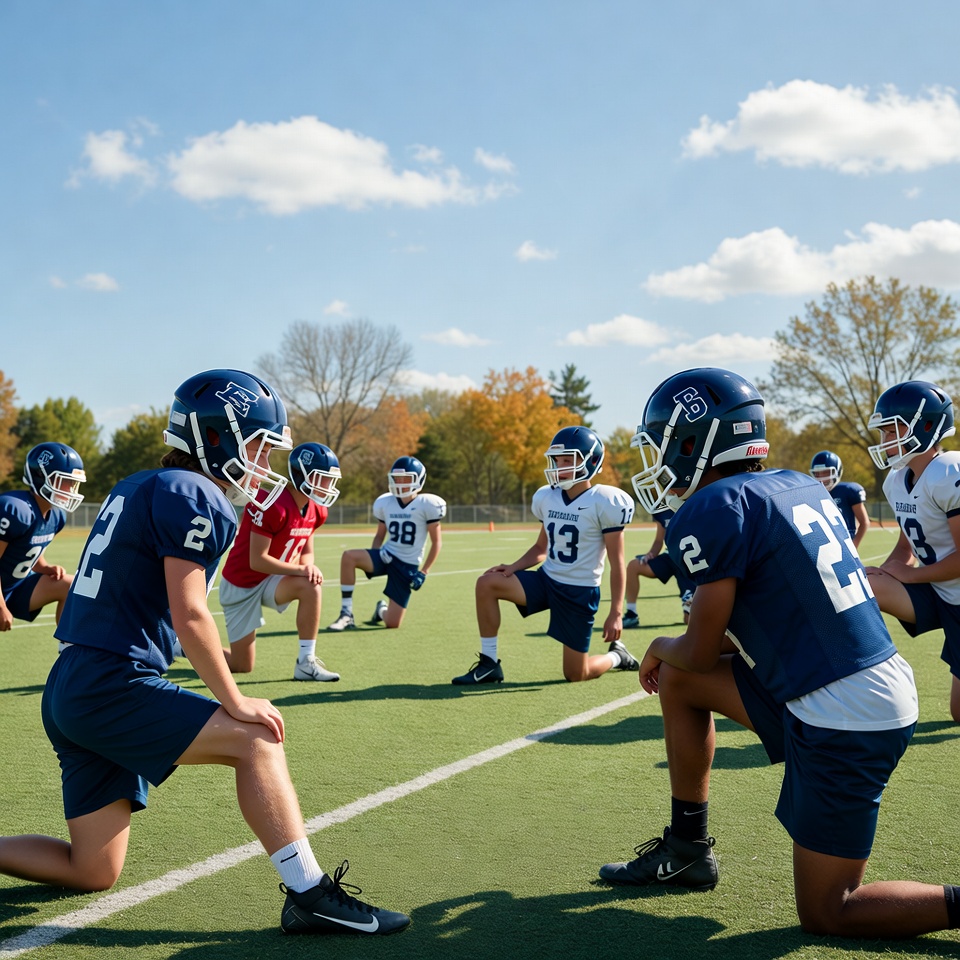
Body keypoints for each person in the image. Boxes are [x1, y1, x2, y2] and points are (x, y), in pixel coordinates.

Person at [0, 370, 409, 936]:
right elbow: (190, 613)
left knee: (92, 868)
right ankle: (311, 894)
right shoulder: (195, 494)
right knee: (257, 740)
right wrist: (234, 698)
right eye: (262, 446)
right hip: (109, 683)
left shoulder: (138, 484)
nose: (266, 464)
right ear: (216, 437)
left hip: (72, 681)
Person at [598, 367, 960, 939]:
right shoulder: (796, 483)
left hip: (845, 711)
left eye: (669, 441)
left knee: (829, 911)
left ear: (698, 442)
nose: (661, 458)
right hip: (848, 681)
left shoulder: (712, 508)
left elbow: (701, 645)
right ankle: (687, 847)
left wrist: (660, 644)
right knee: (680, 682)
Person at [452, 426, 638, 685]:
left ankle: (617, 657)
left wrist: (616, 612)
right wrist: (513, 567)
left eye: (568, 460)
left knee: (576, 674)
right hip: (547, 580)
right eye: (557, 460)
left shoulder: (604, 501)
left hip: (579, 592)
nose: (560, 467)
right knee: (487, 583)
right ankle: (489, 663)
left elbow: (618, 564)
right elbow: (541, 548)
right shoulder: (548, 497)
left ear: (591, 461)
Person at [863, 380, 960, 722]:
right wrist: (887, 570)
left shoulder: (949, 471)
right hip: (938, 591)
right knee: (862, 585)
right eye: (884, 432)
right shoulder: (896, 480)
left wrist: (912, 574)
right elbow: (907, 546)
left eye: (893, 430)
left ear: (927, 426)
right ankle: (852, 674)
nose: (886, 440)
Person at [219, 441, 343, 682]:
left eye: (330, 480)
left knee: (311, 585)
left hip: (273, 580)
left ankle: (306, 662)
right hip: (241, 584)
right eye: (322, 478)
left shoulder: (317, 510)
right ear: (301, 475)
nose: (327, 486)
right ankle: (182, 648)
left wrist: (307, 566)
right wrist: (299, 569)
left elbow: (306, 548)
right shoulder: (272, 503)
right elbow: (258, 561)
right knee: (241, 665)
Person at [327, 455, 445, 631]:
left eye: (406, 479)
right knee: (349, 557)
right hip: (386, 555)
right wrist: (376, 555)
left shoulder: (427, 504)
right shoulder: (386, 502)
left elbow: (437, 543)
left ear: (418, 480)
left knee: (392, 623)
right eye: (397, 479)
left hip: (407, 565)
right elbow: (379, 536)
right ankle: (346, 614)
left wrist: (424, 572)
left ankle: (381, 610)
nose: (400, 483)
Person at [0, 442, 86, 632]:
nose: (70, 488)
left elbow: (28, 547)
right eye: (63, 480)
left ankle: (68, 652)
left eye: (72, 483)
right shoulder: (15, 509)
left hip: (14, 587)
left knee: (69, 585)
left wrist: (44, 567)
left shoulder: (56, 516)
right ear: (41, 477)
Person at [622, 506, 696, 629]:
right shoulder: (662, 510)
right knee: (633, 566)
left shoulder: (692, 504)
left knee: (689, 619)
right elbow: (658, 541)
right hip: (670, 557)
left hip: (688, 560)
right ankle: (631, 613)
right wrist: (651, 554)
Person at [809, 449, 870, 549]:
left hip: (845, 544)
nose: (821, 478)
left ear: (837, 471)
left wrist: (853, 547)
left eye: (826, 472)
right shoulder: (811, 494)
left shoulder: (847, 491)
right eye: (817, 473)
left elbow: (864, 522)